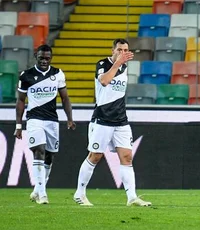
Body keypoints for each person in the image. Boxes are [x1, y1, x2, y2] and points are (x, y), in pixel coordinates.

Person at [73, 38, 151, 207]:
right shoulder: (102, 64)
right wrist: (117, 64)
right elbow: (104, 81)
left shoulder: (124, 66)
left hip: (121, 120)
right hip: (102, 118)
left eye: (125, 51)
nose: (122, 53)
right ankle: (79, 194)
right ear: (112, 50)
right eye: (119, 50)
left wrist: (121, 63)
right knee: (95, 157)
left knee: (127, 157)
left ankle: (132, 197)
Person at [15, 45, 75, 204]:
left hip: (52, 120)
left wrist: (69, 118)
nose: (44, 61)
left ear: (51, 58)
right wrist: (19, 126)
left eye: (47, 58)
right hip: (34, 119)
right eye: (41, 57)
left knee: (49, 155)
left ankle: (37, 190)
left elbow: (65, 98)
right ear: (36, 56)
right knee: (39, 151)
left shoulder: (58, 74)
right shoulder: (26, 76)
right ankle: (43, 194)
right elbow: (21, 101)